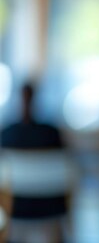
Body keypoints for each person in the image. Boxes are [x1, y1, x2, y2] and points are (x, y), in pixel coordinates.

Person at [1, 82, 74, 242]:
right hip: (51, 209)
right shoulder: (52, 134)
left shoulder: (6, 135)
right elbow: (69, 171)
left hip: (14, 210)